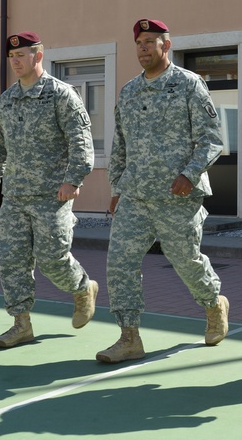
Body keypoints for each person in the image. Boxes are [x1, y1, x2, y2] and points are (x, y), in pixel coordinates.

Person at [96, 18, 230, 363]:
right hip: (136, 195)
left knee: (185, 261)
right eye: (139, 43)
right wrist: (116, 188)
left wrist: (189, 174)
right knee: (120, 262)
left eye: (150, 42)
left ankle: (214, 303)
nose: (143, 48)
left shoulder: (189, 85)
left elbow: (212, 140)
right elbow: (121, 144)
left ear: (165, 46)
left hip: (178, 196)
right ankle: (129, 337)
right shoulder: (129, 91)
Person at [0, 31, 98, 349]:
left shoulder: (62, 95)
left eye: (22, 55)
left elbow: (81, 141)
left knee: (52, 259)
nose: (16, 61)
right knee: (12, 261)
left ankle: (83, 288)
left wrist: (73, 179)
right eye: (11, 57)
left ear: (38, 55)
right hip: (16, 196)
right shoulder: (7, 99)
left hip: (52, 195)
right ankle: (21, 324)